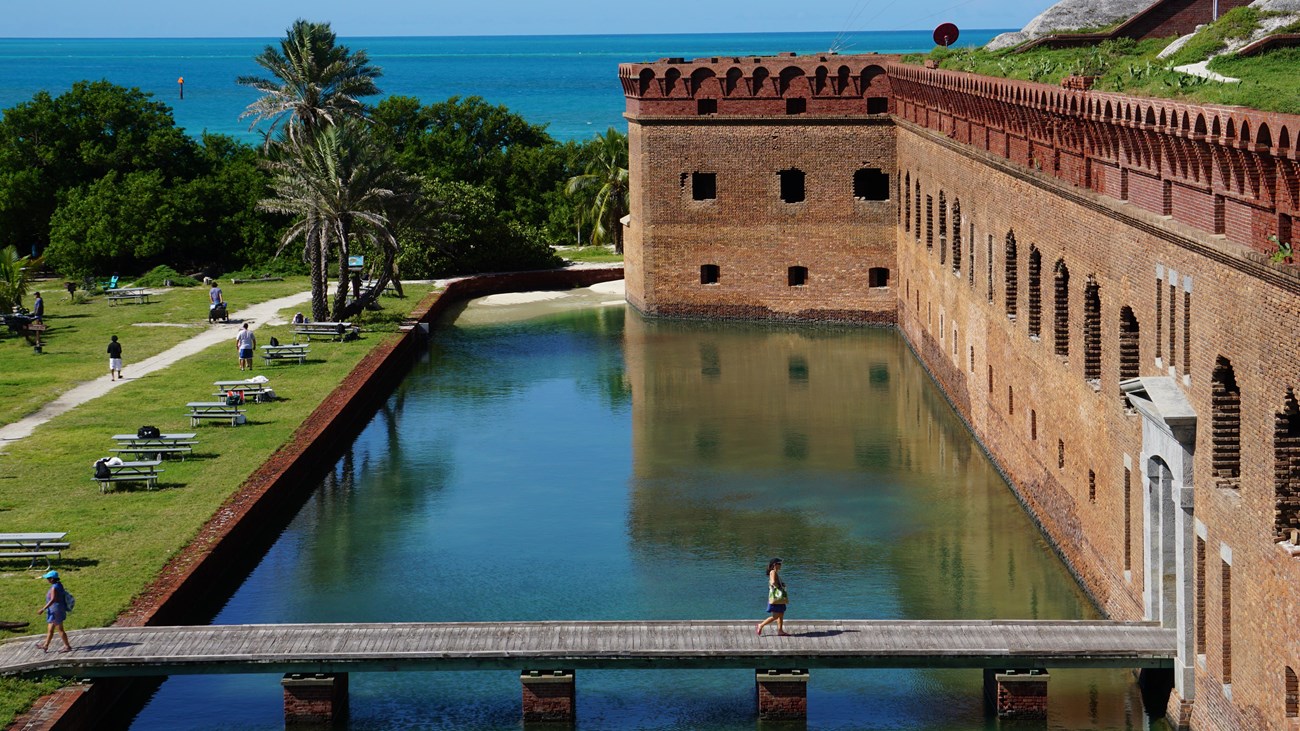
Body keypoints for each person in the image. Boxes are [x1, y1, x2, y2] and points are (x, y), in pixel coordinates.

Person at [37, 570, 73, 653]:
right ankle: (45, 645)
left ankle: (67, 646)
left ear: (52, 579)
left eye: (48, 578)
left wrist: (43, 609)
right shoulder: (59, 585)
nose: (47, 580)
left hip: (56, 610)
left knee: (60, 629)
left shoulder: (54, 587)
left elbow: (53, 599)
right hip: (55, 610)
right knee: (50, 629)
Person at [756, 557, 790, 636]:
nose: (781, 565)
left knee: (781, 614)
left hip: (778, 598)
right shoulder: (773, 572)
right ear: (775, 565)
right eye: (779, 564)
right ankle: (761, 625)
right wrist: (778, 586)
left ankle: (780, 630)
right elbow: (773, 582)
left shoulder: (775, 572)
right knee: (776, 616)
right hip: (776, 597)